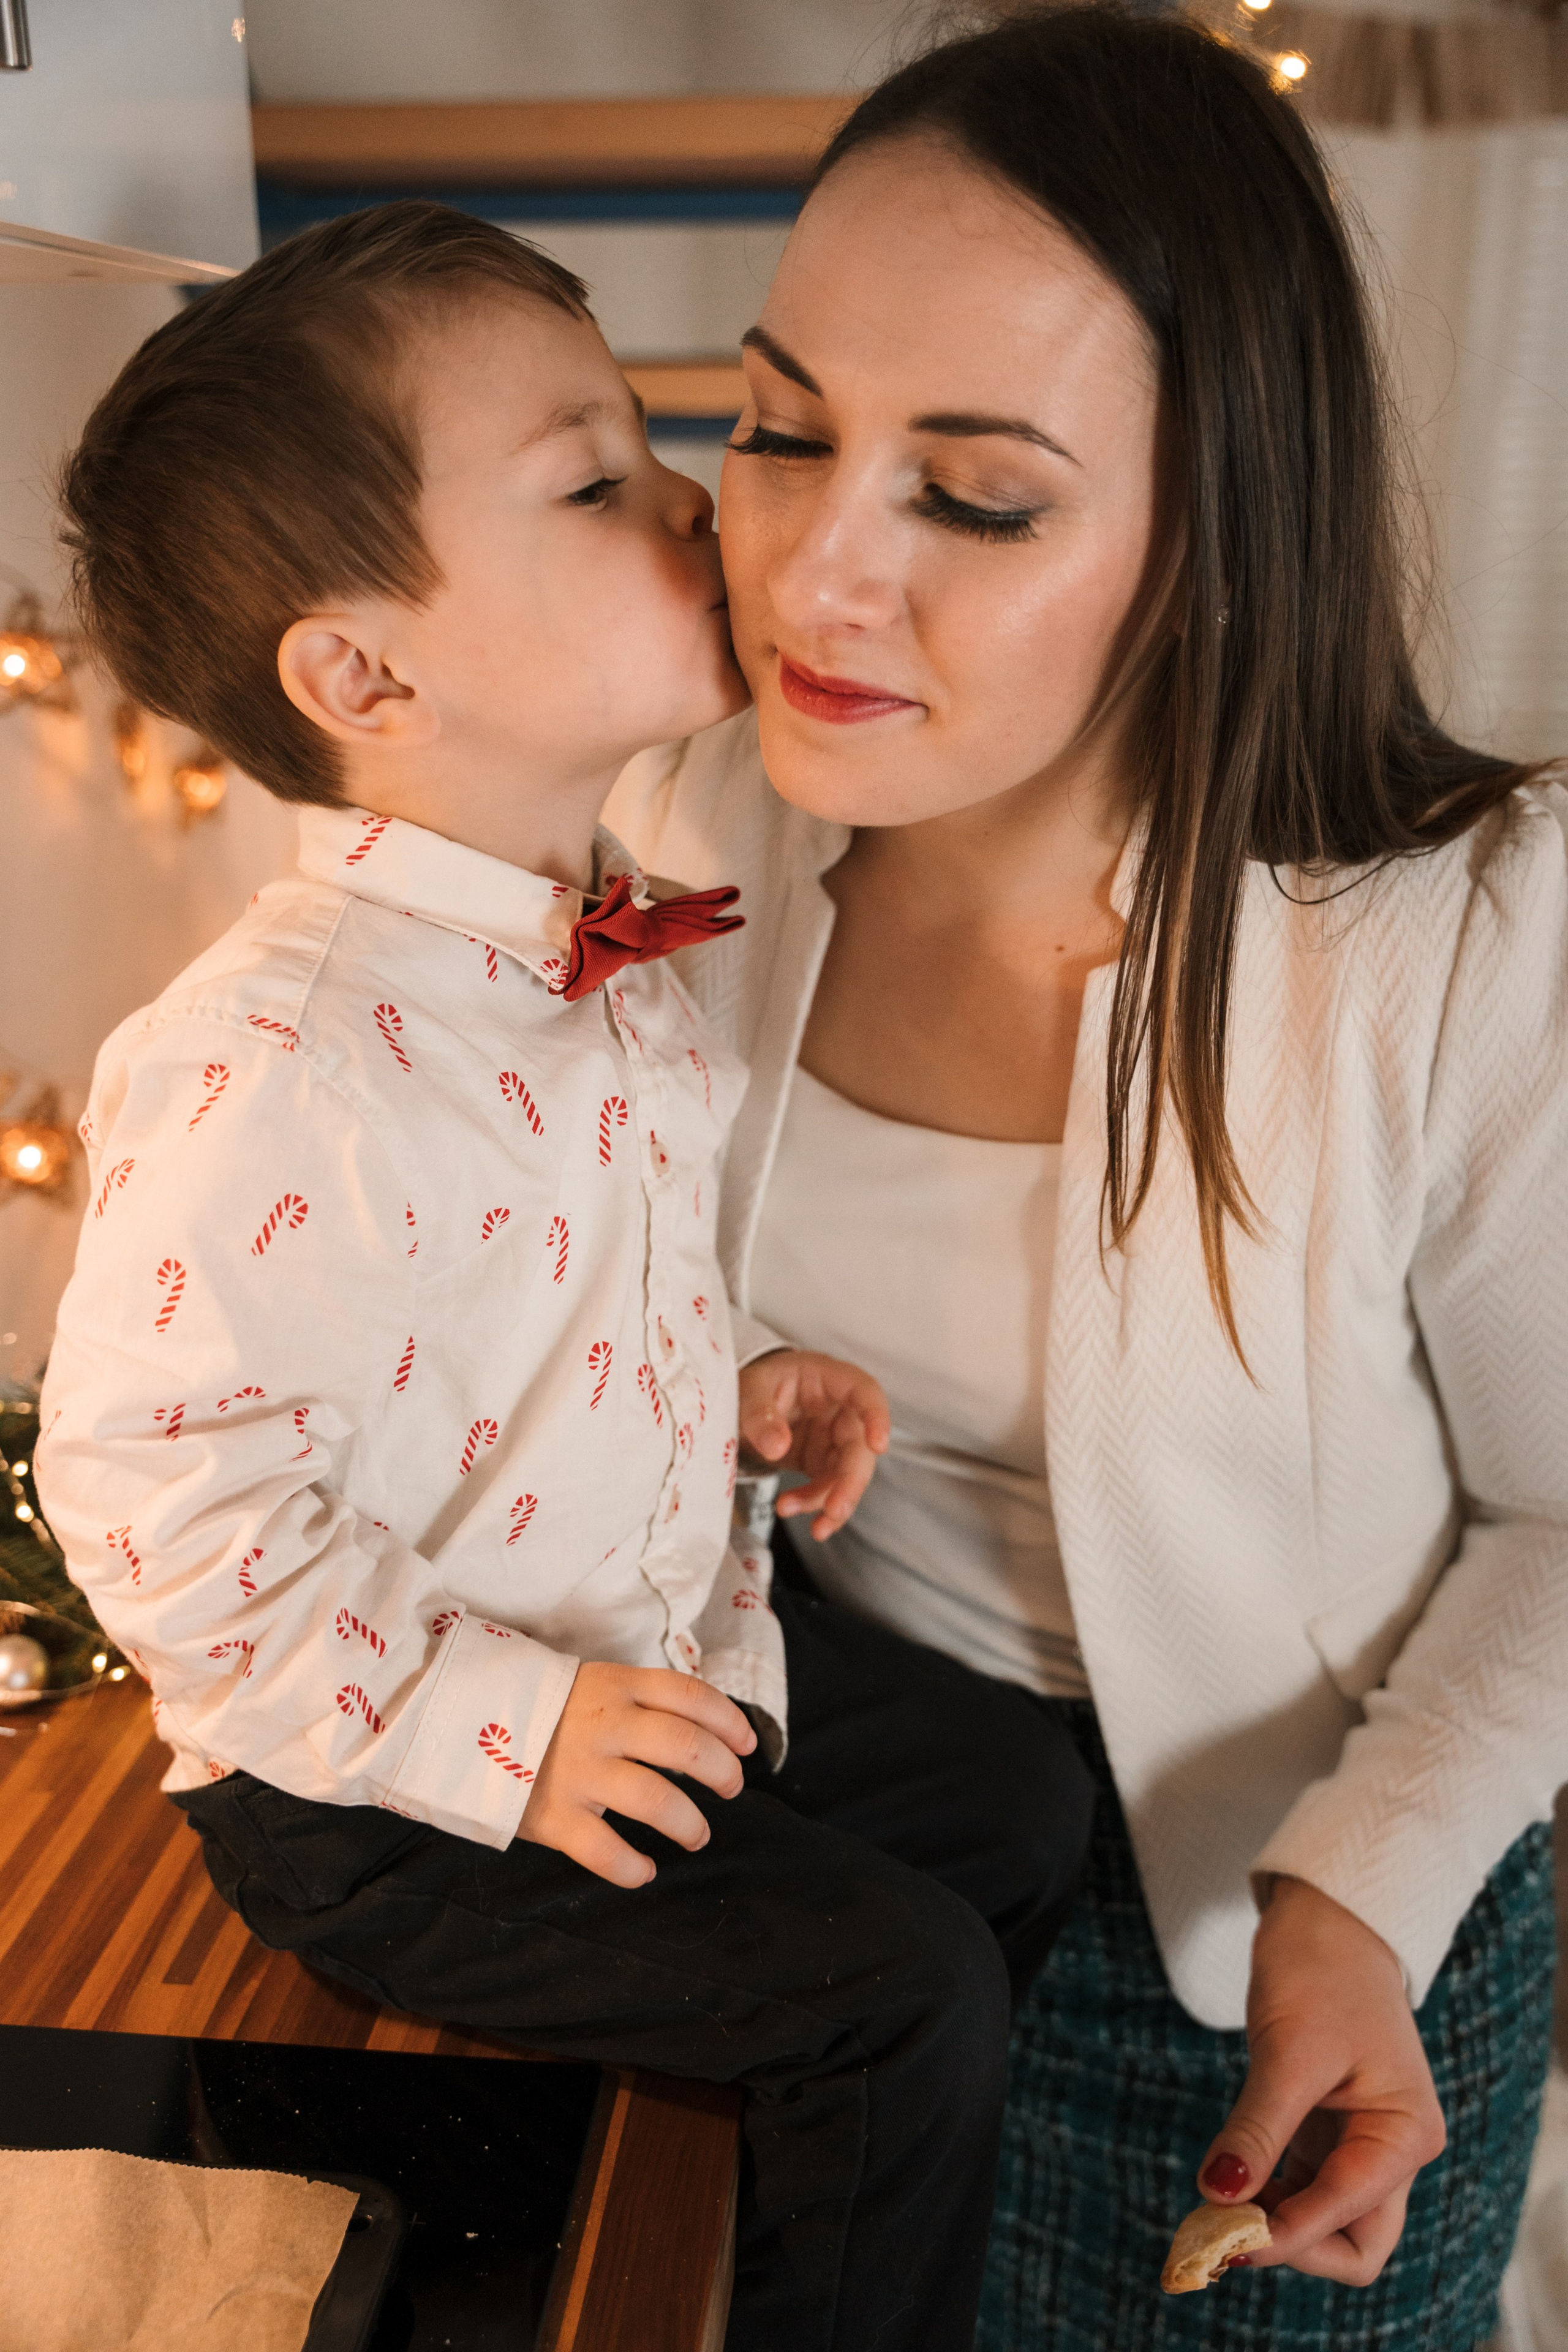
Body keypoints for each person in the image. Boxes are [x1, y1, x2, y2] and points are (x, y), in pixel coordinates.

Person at [34, 202, 1094, 2352]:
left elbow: (534, 1302)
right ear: (365, 675)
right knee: (908, 2005)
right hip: (383, 1775)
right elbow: (164, 1520)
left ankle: (766, 2135)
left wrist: (729, 1383)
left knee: (1018, 1799)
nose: (695, 497)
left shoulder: (599, 926)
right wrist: (502, 1736)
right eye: (595, 478)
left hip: (638, 1609)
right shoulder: (274, 1064)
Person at [604, 9, 1568, 2348]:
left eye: (977, 495)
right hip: (834, 1854)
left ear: (1203, 525)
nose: (818, 578)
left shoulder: (1459, 922)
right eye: (781, 430)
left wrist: (1365, 1893)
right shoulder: (675, 826)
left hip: (1293, 1935)